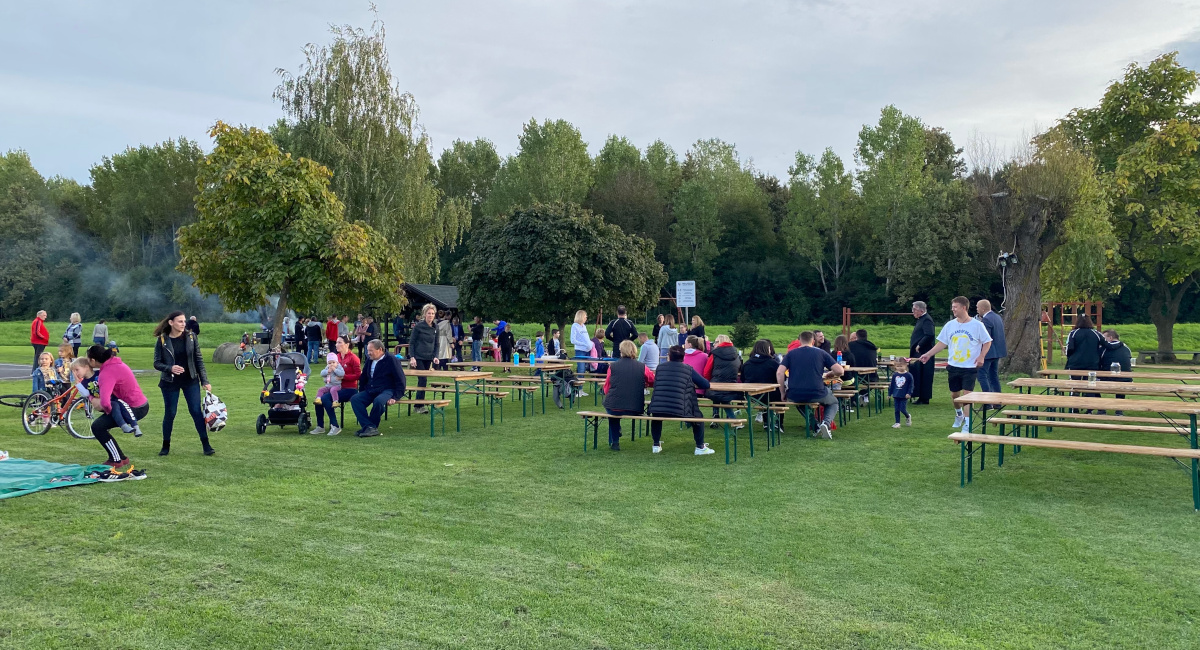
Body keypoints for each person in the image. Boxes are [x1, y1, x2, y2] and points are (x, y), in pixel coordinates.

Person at [918, 296, 992, 433]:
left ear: (964, 307)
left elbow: (987, 341)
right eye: (952, 307)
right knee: (955, 395)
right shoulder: (950, 325)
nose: (953, 309)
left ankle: (967, 424)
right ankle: (959, 414)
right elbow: (942, 343)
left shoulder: (977, 325)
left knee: (967, 395)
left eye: (955, 307)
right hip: (954, 365)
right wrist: (928, 354)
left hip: (970, 366)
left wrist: (982, 356)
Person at [153, 311, 214, 457]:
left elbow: (198, 360)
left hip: (190, 380)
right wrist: (170, 368)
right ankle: (165, 445)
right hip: (170, 382)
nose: (183, 324)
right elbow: (157, 363)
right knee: (170, 413)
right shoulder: (163, 340)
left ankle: (206, 445)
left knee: (196, 411)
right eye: (180, 321)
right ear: (171, 323)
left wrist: (205, 381)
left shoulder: (191, 337)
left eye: (184, 321)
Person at [85, 345, 150, 477]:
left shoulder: (106, 372)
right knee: (100, 425)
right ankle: (120, 457)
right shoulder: (117, 364)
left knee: (98, 427)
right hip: (141, 404)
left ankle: (117, 459)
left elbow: (105, 402)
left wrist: (108, 411)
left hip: (134, 408)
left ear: (93, 360)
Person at [646, 346, 716, 455]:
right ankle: (700, 447)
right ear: (683, 357)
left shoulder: (660, 368)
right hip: (680, 409)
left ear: (669, 356)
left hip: (658, 408)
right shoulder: (688, 369)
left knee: (657, 416)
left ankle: (656, 445)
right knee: (698, 417)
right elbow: (705, 384)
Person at [777, 331, 843, 439]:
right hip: (817, 391)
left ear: (799, 341)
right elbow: (840, 371)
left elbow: (780, 372)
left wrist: (782, 392)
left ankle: (815, 425)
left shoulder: (790, 354)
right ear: (813, 341)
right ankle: (826, 423)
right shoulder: (821, 353)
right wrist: (831, 373)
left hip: (795, 392)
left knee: (799, 402)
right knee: (833, 402)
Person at [602, 340, 656, 450]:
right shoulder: (642, 367)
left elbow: (607, 386)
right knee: (613, 409)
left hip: (614, 406)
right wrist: (645, 384)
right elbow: (653, 380)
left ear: (621, 351)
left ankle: (615, 442)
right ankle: (616, 436)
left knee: (611, 412)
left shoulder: (613, 366)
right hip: (635, 407)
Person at [350, 339, 406, 437]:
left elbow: (400, 379)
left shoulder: (392, 360)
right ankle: (369, 427)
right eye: (368, 350)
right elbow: (364, 377)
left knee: (379, 401)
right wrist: (362, 391)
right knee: (355, 399)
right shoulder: (369, 360)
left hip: (387, 389)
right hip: (371, 389)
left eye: (371, 350)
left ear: (380, 349)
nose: (368, 353)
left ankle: (369, 428)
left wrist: (395, 397)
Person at [314, 336, 361, 436]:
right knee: (319, 398)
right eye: (336, 342)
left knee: (325, 398)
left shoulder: (353, 358)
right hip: (334, 387)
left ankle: (335, 426)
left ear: (347, 344)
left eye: (339, 342)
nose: (336, 345)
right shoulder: (335, 357)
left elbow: (358, 375)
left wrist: (344, 377)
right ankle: (320, 426)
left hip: (349, 389)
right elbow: (326, 371)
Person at [740, 339, 783, 430]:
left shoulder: (747, 364)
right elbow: (780, 378)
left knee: (765, 396)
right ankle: (779, 423)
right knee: (779, 393)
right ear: (767, 349)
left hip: (752, 395)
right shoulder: (773, 364)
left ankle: (766, 422)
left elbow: (743, 379)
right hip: (770, 394)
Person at [703, 334, 742, 424]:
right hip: (732, 384)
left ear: (720, 342)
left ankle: (719, 416)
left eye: (715, 342)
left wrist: (708, 380)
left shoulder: (714, 354)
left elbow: (707, 371)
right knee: (723, 398)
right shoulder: (735, 354)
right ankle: (728, 418)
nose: (713, 344)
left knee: (717, 395)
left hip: (716, 382)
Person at [408, 304, 440, 412]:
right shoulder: (418, 326)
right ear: (424, 314)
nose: (430, 315)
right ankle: (419, 406)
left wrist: (436, 356)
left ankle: (418, 404)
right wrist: (412, 357)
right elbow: (412, 343)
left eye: (432, 313)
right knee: (422, 379)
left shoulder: (436, 327)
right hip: (419, 357)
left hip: (429, 357)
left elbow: (437, 344)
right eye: (429, 313)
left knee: (423, 380)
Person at [1066, 314, 1105, 400]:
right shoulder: (1096, 333)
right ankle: (1089, 405)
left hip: (1075, 364)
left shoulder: (1073, 333)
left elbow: (1069, 348)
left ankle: (1074, 404)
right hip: (1092, 364)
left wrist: (1070, 358)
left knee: (1075, 385)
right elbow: (1105, 345)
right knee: (1090, 385)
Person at [976, 299, 1007, 395]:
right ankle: (997, 397)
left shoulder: (986, 320)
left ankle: (987, 398)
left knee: (981, 375)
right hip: (998, 351)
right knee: (993, 375)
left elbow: (985, 338)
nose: (977, 309)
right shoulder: (997, 317)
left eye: (977, 307)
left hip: (988, 352)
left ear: (983, 308)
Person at [908, 301, 936, 404]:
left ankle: (924, 398)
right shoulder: (921, 319)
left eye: (915, 309)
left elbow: (929, 334)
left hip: (924, 352)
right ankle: (919, 395)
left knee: (925, 374)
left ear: (922, 310)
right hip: (919, 352)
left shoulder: (927, 320)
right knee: (918, 373)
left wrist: (920, 344)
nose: (913, 311)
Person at [310, 353, 344, 435]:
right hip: (328, 386)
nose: (331, 364)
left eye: (333, 362)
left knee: (329, 394)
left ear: (337, 362)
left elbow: (342, 373)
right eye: (329, 363)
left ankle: (335, 402)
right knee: (320, 391)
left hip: (336, 386)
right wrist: (327, 371)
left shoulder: (338, 367)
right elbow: (322, 373)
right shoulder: (327, 368)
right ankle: (320, 425)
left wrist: (335, 370)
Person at [1100, 329, 1132, 414]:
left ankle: (1100, 409)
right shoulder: (1126, 348)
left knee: (1090, 383)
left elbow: (1098, 362)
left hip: (1106, 379)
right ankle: (1119, 410)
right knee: (1121, 383)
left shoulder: (1104, 349)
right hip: (1126, 379)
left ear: (1110, 338)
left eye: (1104, 338)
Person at [848, 329, 878, 406]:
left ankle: (854, 398)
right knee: (875, 381)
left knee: (847, 379)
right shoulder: (872, 346)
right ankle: (862, 394)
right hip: (871, 375)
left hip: (854, 374)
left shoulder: (851, 346)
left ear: (857, 337)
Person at [889, 359, 914, 428]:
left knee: (902, 409)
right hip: (896, 395)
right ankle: (897, 423)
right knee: (896, 410)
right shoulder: (895, 375)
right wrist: (889, 394)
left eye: (901, 366)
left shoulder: (908, 375)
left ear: (905, 365)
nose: (899, 368)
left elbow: (911, 385)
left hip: (904, 395)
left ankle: (908, 416)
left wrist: (909, 393)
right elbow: (892, 385)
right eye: (897, 366)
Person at [571, 310, 593, 375]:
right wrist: (584, 344)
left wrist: (590, 343)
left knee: (586, 368)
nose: (586, 319)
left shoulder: (584, 326)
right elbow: (573, 340)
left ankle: (582, 380)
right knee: (581, 369)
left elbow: (586, 338)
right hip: (580, 350)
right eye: (585, 317)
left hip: (587, 350)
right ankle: (580, 381)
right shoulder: (575, 326)